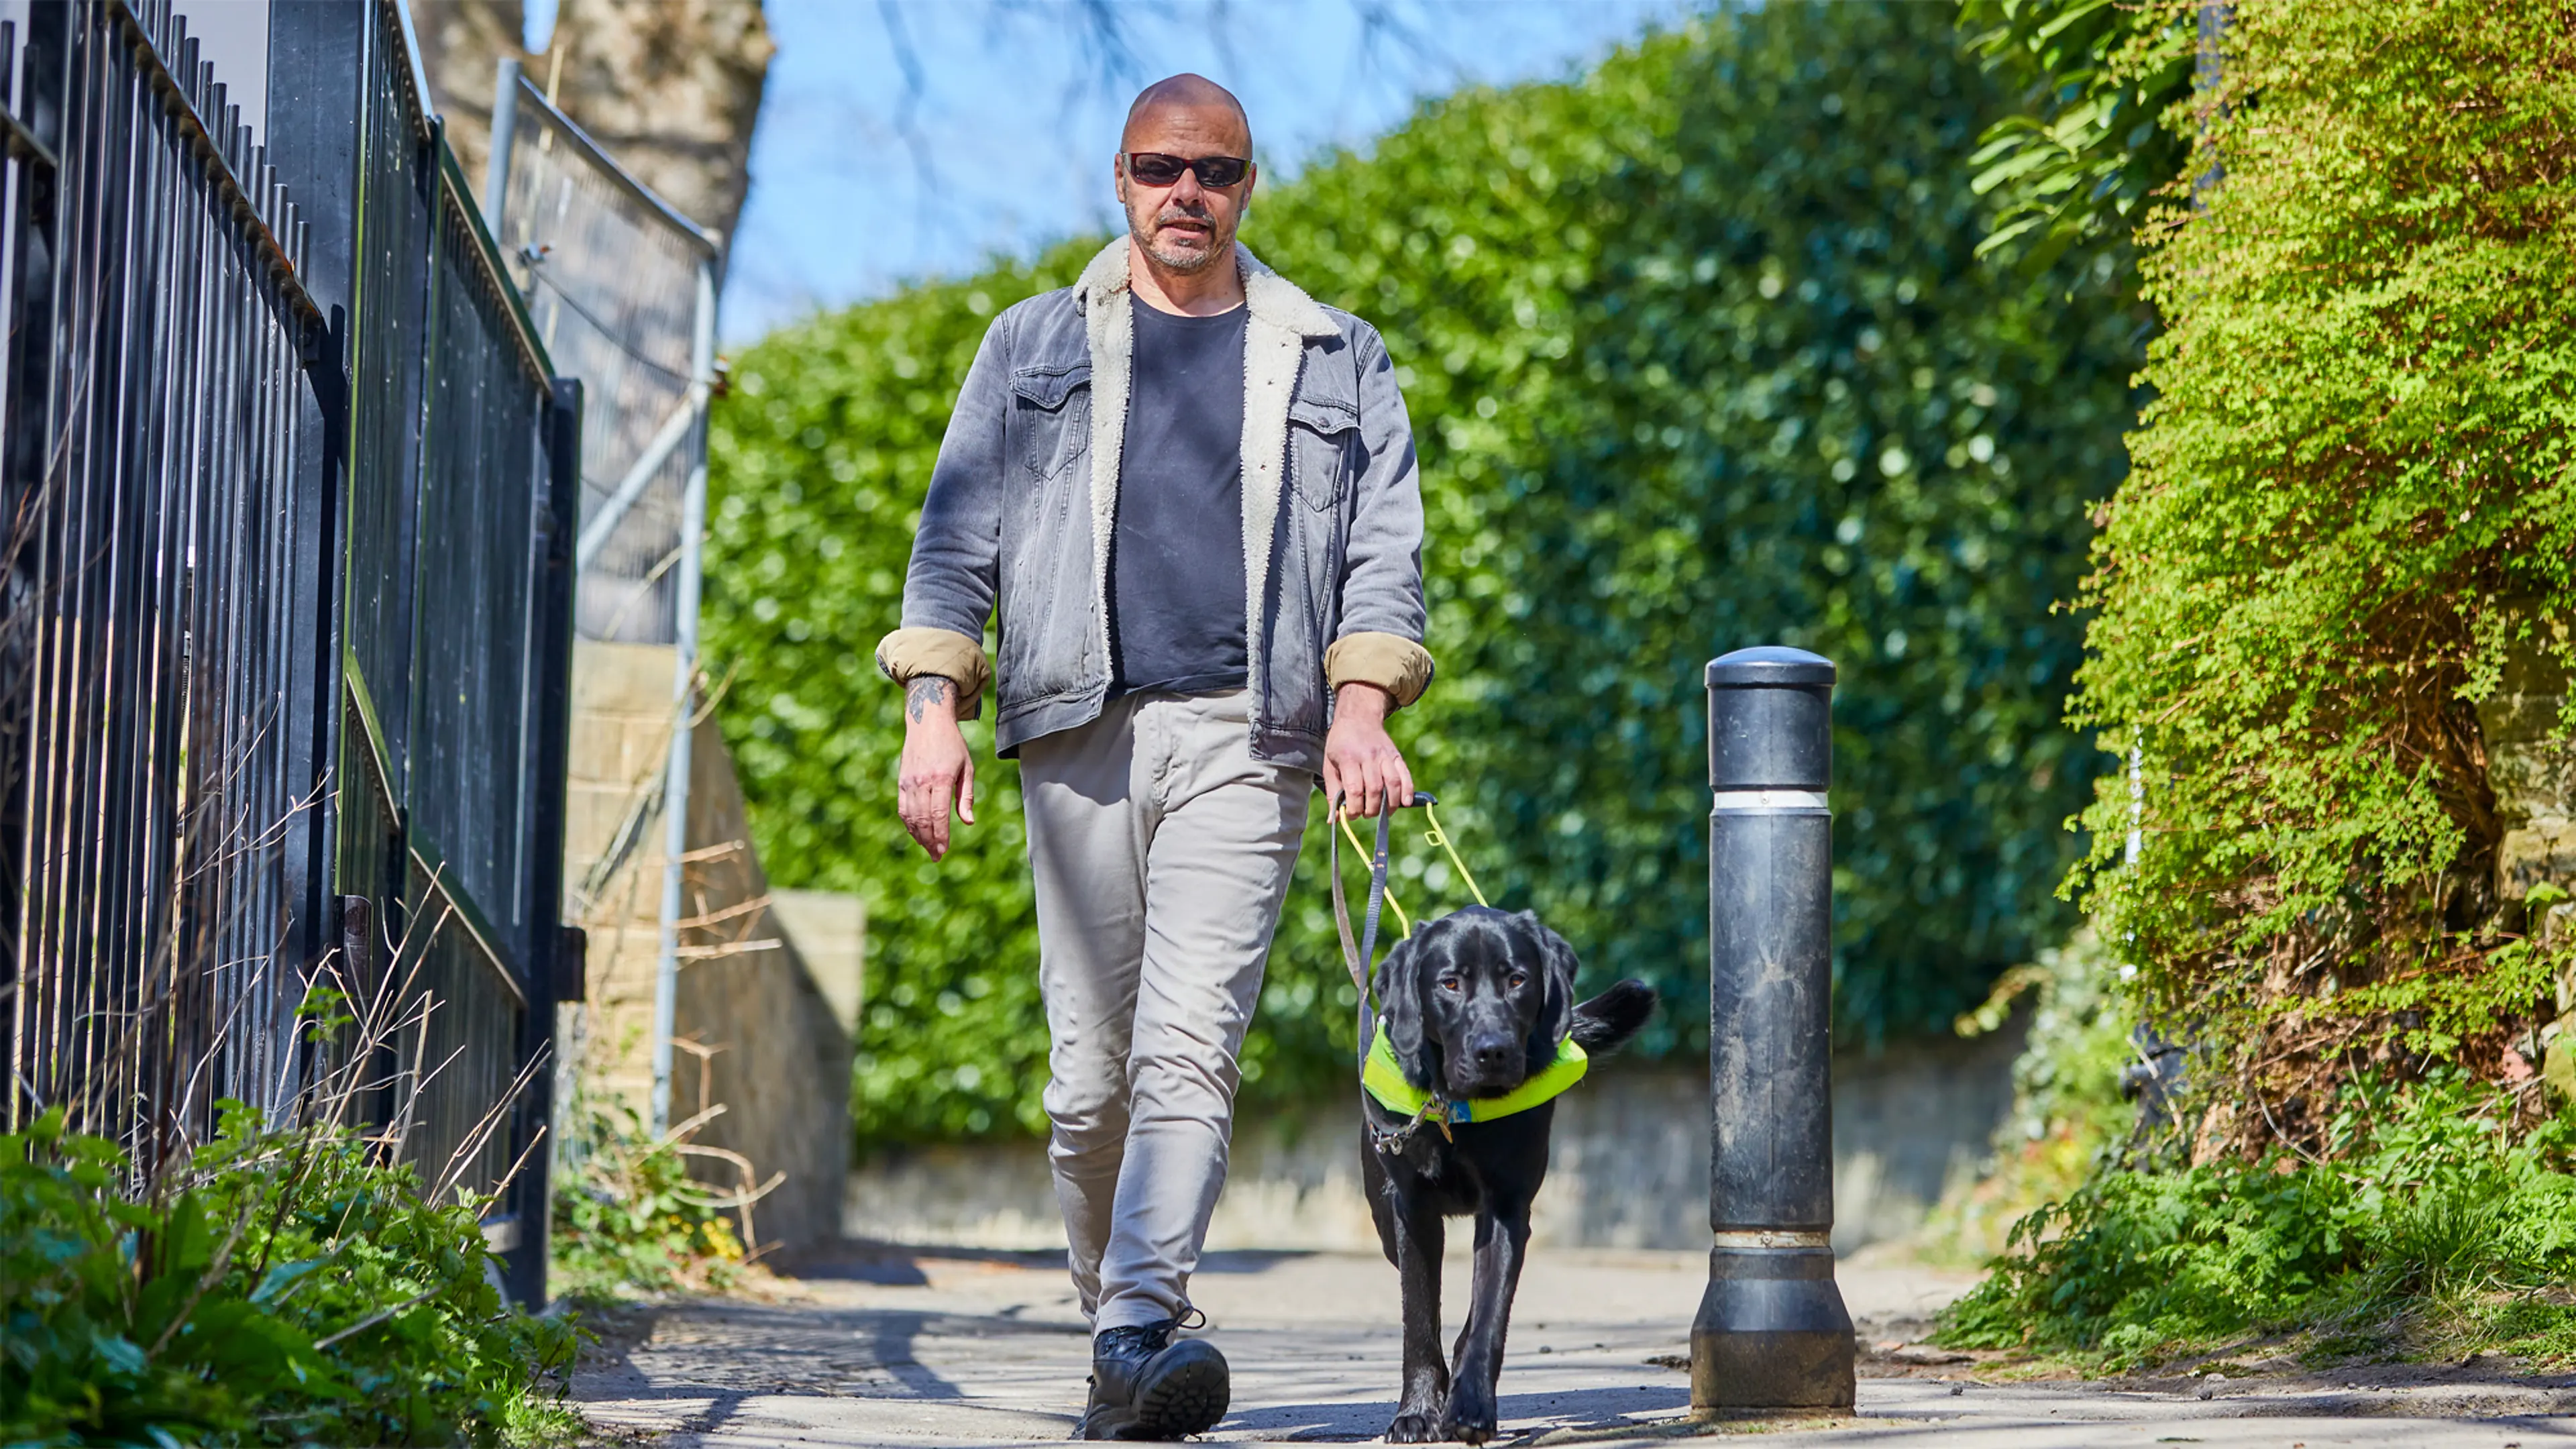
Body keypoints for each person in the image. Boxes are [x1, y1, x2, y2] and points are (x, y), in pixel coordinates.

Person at [877, 72, 1432, 1441]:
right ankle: (1113, 1329)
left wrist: (1362, 705)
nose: (1186, 194)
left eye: (1215, 172)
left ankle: (1140, 1314)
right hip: (1076, 727)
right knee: (1088, 1084)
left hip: (1255, 738)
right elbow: (955, 538)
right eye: (1158, 168)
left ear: (1250, 188)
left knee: (1194, 1047)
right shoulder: (1031, 343)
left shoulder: (1334, 354)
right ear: (1121, 181)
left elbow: (1385, 552)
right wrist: (932, 710)